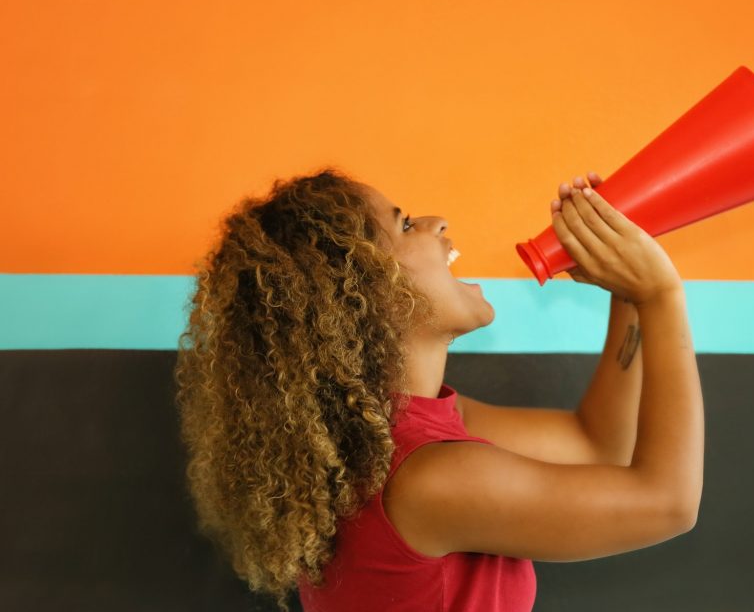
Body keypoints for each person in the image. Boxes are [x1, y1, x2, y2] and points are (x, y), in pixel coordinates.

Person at [174, 168, 703, 611]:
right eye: (404, 225)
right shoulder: (428, 479)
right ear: (366, 291)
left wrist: (627, 292)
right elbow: (667, 504)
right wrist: (660, 295)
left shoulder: (404, 434)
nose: (436, 222)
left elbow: (595, 446)